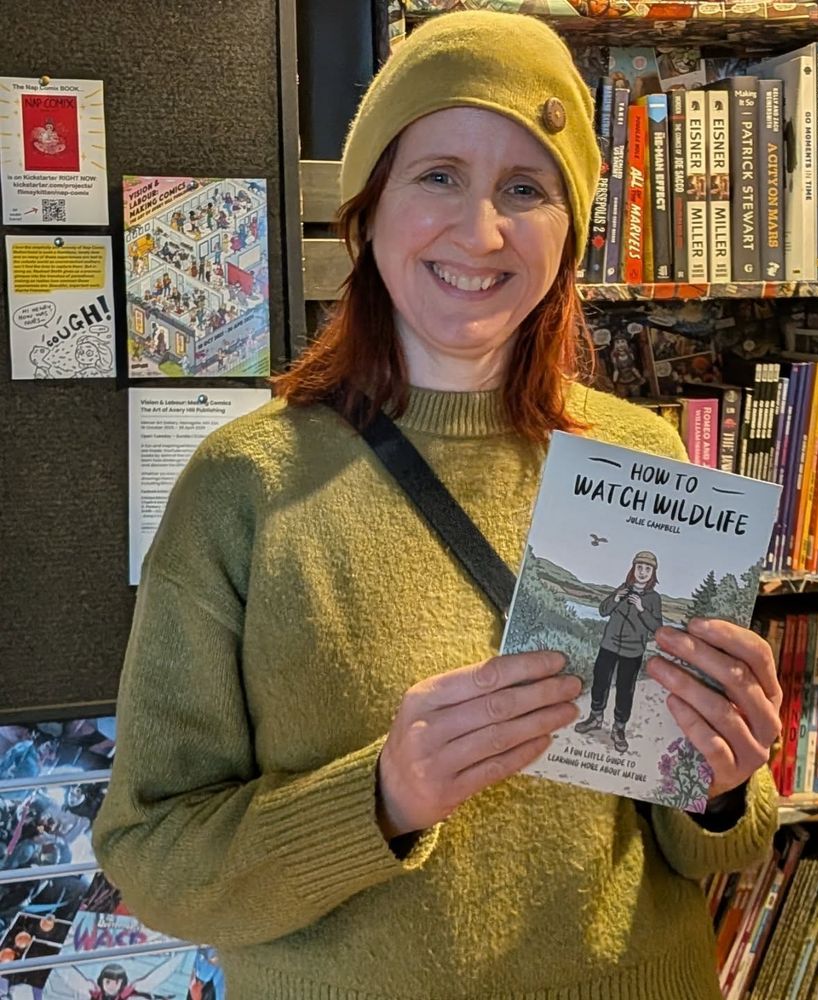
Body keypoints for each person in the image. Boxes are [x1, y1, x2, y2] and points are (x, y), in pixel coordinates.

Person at [93, 11, 781, 999]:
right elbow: (154, 859)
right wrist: (381, 797)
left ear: (569, 232)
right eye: (438, 177)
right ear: (368, 210)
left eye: (524, 188)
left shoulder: (640, 455)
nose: (481, 231)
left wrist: (721, 783)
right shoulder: (242, 484)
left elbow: (707, 848)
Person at [576, 550, 663, 752]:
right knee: (600, 681)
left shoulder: (653, 598)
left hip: (632, 650)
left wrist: (641, 608)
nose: (642, 572)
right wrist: (616, 598)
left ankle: (619, 728)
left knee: (625, 689)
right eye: (639, 567)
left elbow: (657, 627)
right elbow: (603, 610)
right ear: (633, 569)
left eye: (647, 569)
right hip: (609, 644)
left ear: (653, 573)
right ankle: (595, 717)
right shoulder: (623, 588)